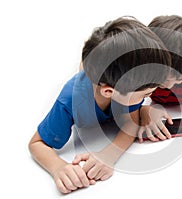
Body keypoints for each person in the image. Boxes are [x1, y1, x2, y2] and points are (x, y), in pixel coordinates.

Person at [28, 16, 171, 194]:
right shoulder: (70, 99)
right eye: (147, 94)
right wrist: (58, 167)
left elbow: (130, 123)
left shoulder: (128, 85)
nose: (151, 96)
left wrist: (109, 154)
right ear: (109, 92)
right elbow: (37, 143)